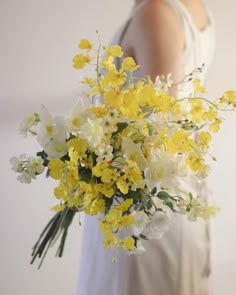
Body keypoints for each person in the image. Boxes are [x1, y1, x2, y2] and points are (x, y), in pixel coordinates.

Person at [77, 0, 215, 294]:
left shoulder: (157, 13)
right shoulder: (194, 7)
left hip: (141, 218)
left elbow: (155, 138)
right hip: (161, 203)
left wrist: (83, 162)